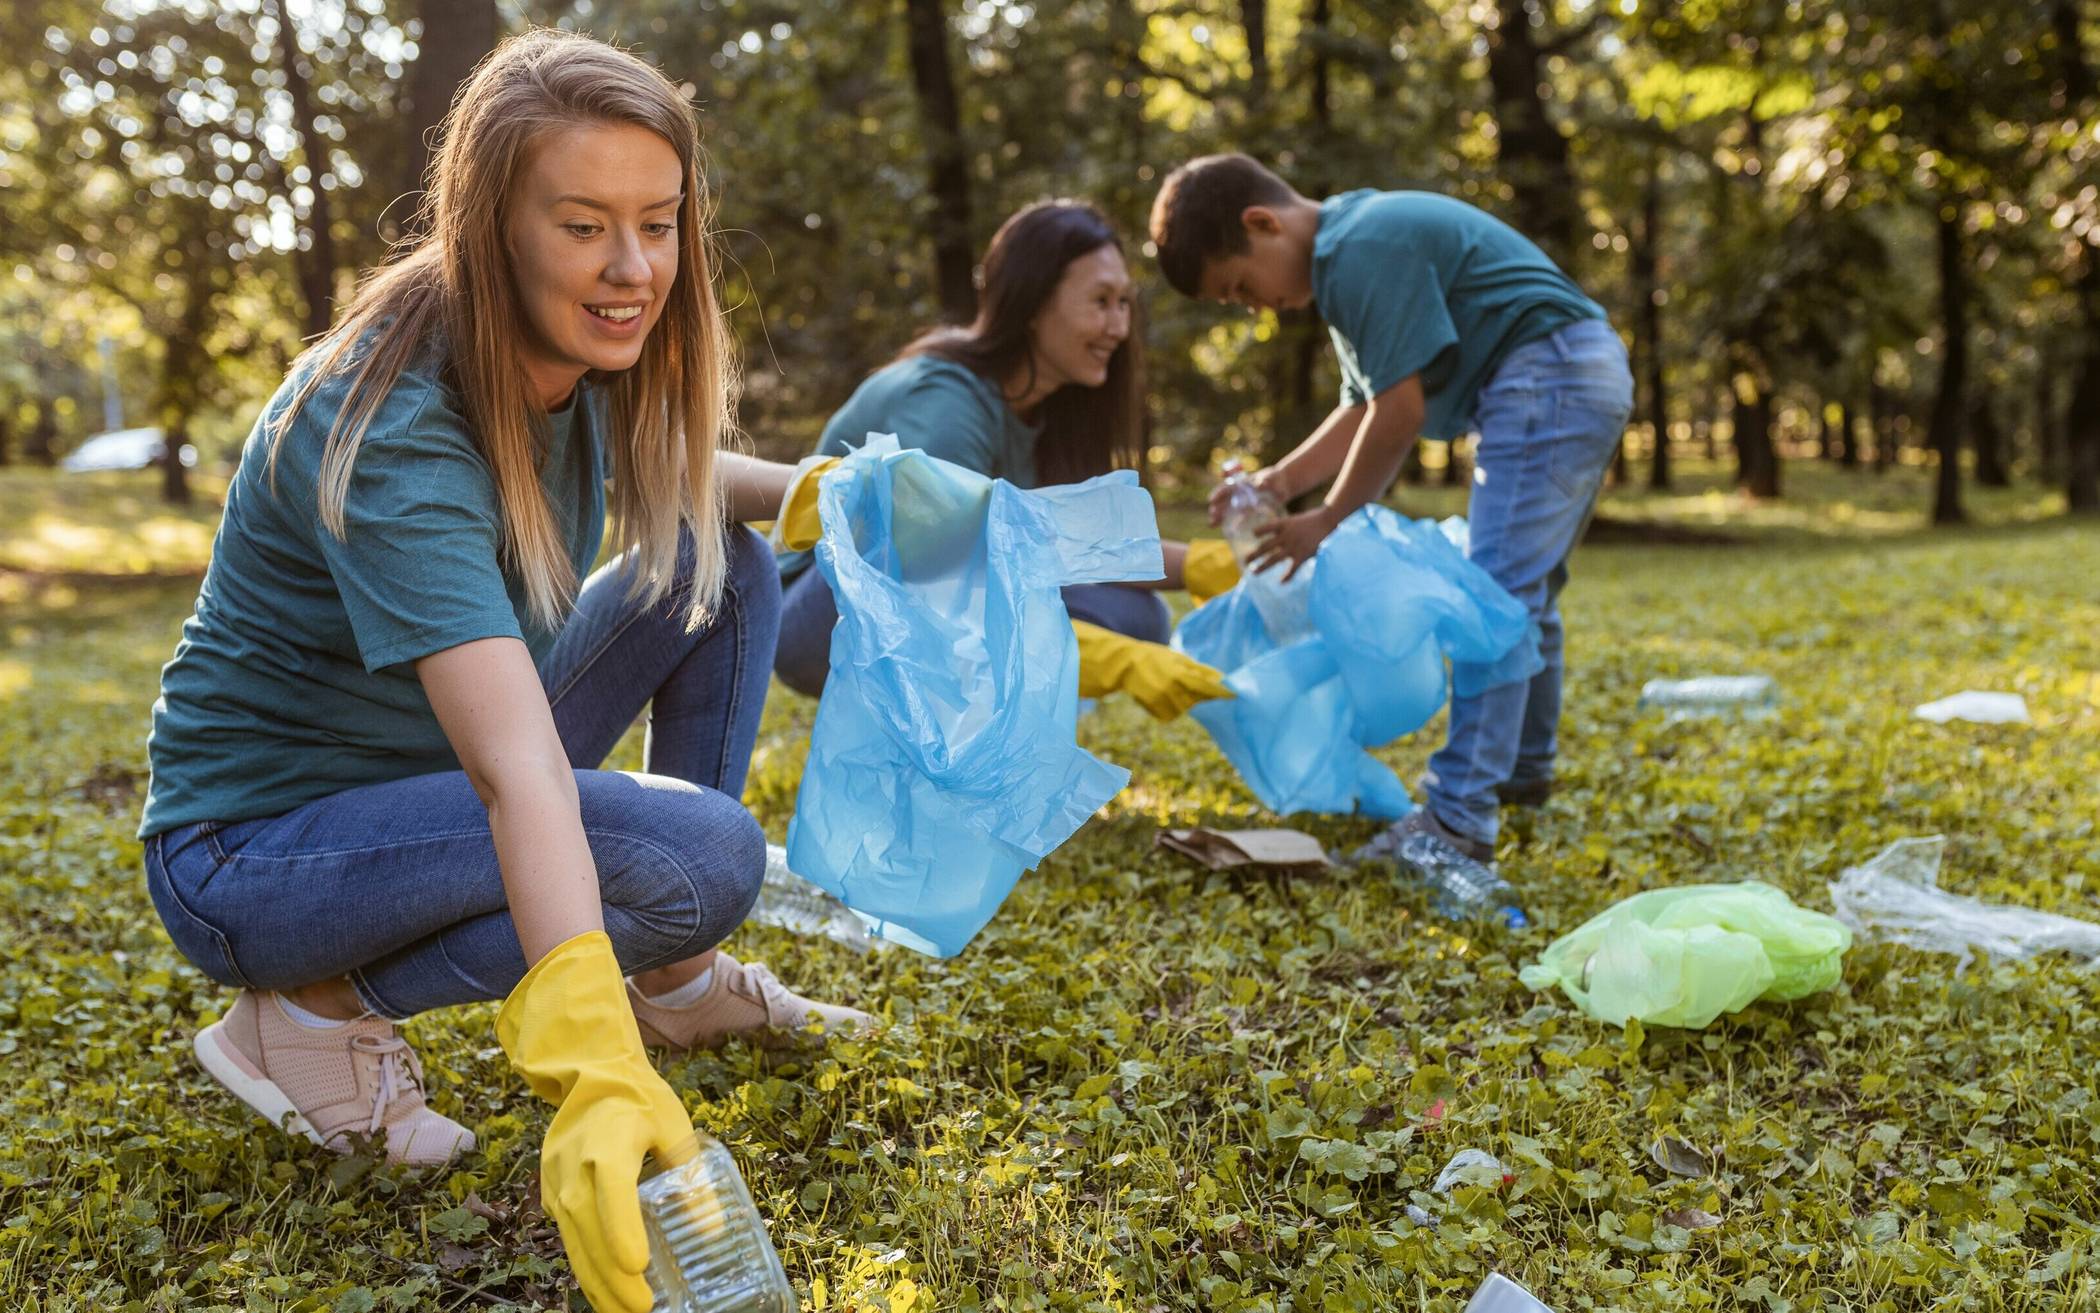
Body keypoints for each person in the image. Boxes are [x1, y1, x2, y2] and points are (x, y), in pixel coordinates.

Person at [139, 30, 859, 1313]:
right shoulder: (396, 427)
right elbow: (513, 767)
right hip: (253, 854)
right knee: (700, 856)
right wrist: (588, 1063)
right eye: (584, 225)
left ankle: (676, 980)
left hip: (412, 776)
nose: (632, 267)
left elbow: (679, 486)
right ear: (493, 225)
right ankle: (304, 1014)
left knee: (722, 559)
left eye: (657, 221)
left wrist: (831, 497)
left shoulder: (571, 349)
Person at [1149, 154, 1633, 866]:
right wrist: (1278, 484)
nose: (1254, 308)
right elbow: (1363, 406)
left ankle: (1458, 818)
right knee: (1524, 592)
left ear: (1263, 224)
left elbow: (1398, 415)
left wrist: (1327, 518)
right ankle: (1522, 770)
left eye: (1242, 286)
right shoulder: (1350, 246)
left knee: (1491, 596)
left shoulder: (1358, 251)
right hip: (1573, 367)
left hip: (1548, 372)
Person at [771, 200, 1240, 720]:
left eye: (1124, 303)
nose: (1118, 326)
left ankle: (983, 754)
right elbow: (931, 577)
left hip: (926, 590)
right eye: (1100, 302)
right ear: (1034, 303)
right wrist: (1110, 660)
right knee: (961, 563)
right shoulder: (946, 403)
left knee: (1135, 614)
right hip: (818, 616)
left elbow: (1066, 540)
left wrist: (1207, 565)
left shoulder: (1046, 409)